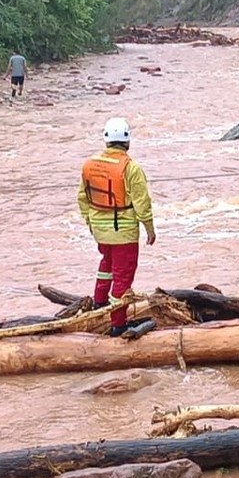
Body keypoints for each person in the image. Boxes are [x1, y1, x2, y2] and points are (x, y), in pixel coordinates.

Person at [77, 117, 158, 339]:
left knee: (107, 265)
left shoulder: (89, 165)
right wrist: (149, 229)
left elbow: (82, 198)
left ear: (106, 140)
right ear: (127, 141)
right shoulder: (131, 168)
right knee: (123, 276)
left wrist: (90, 222)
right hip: (123, 232)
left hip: (100, 230)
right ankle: (118, 324)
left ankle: (99, 302)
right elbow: (142, 203)